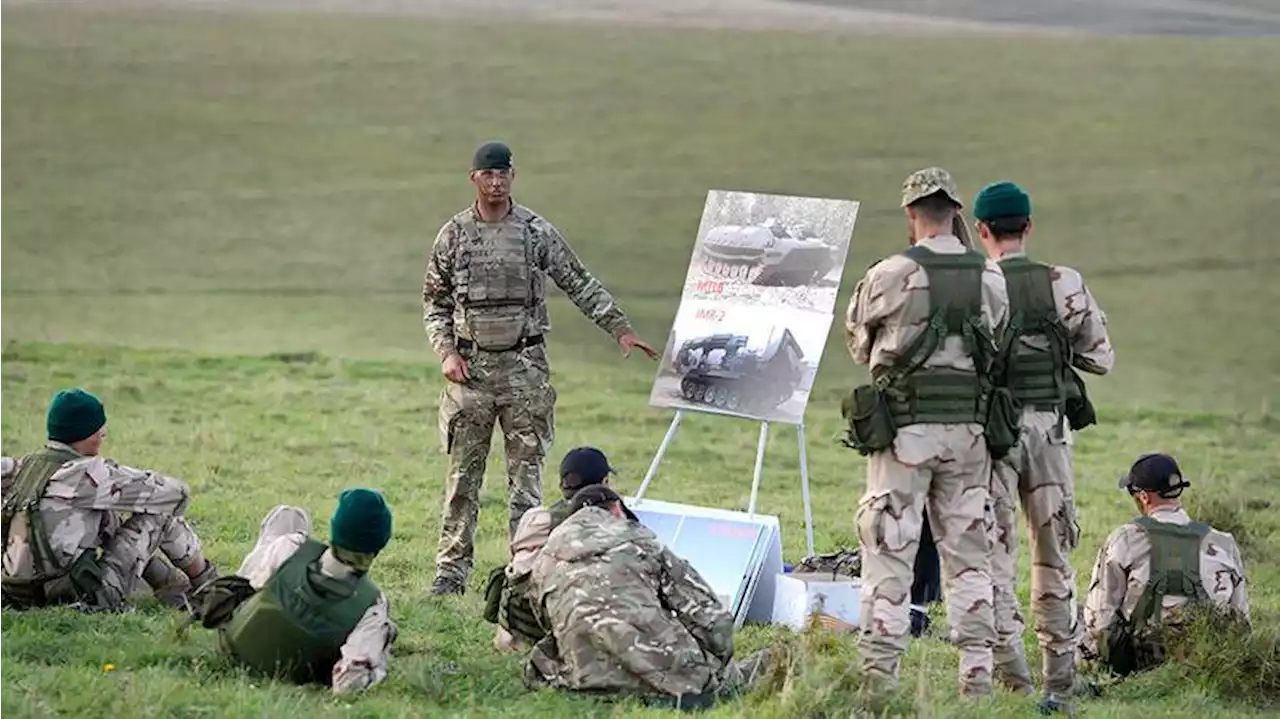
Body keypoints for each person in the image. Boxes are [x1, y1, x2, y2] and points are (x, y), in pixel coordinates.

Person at [422, 140, 660, 596]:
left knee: (526, 484)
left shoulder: (534, 232)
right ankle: (450, 574)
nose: (496, 182)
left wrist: (620, 329)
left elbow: (577, 280)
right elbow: (433, 302)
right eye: (488, 174)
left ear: (513, 177)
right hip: (470, 372)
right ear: (474, 178)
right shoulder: (453, 236)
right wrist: (446, 353)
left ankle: (524, 572)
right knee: (462, 483)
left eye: (503, 174)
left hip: (525, 371)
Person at [842, 167, 1008, 698]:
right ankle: (977, 683)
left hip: (904, 435)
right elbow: (997, 347)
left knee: (889, 551)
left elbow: (860, 347)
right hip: (969, 436)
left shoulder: (888, 274)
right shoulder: (992, 278)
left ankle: (879, 683)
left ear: (911, 215)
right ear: (956, 213)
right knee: (969, 557)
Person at [970, 180, 1115, 709]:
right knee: (1053, 555)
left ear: (982, 230)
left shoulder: (975, 285)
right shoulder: (1064, 282)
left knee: (995, 557)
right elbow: (1100, 358)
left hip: (995, 436)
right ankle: (1060, 680)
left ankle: (1014, 681)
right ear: (1028, 226)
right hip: (1051, 435)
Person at [524, 485, 769, 709]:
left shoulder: (545, 559)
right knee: (770, 660)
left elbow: (543, 623)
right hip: (670, 678)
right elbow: (711, 617)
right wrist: (718, 662)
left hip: (581, 677)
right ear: (618, 509)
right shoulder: (640, 541)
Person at [0, 388, 217, 611]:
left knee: (106, 515)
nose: (104, 433)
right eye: (100, 429)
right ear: (88, 434)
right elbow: (176, 493)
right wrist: (124, 476)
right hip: (76, 596)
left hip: (16, 594)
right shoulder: (90, 474)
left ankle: (171, 584)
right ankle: (208, 587)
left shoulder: (23, 468)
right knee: (159, 516)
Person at [194, 489, 398, 695]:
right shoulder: (372, 605)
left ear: (336, 529)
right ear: (379, 545)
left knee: (287, 517)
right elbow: (350, 682)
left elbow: (247, 585)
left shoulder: (290, 548)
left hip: (236, 649)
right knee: (383, 630)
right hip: (299, 676)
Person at [1080, 454, 1249, 677]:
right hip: (1212, 658)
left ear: (1143, 497)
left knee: (1073, 616)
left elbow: (1099, 622)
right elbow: (1243, 621)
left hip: (1143, 661)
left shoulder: (1125, 538)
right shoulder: (1224, 542)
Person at [488, 446, 616, 653]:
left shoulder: (536, 518)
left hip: (516, 631)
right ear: (604, 483)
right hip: (565, 635)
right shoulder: (608, 524)